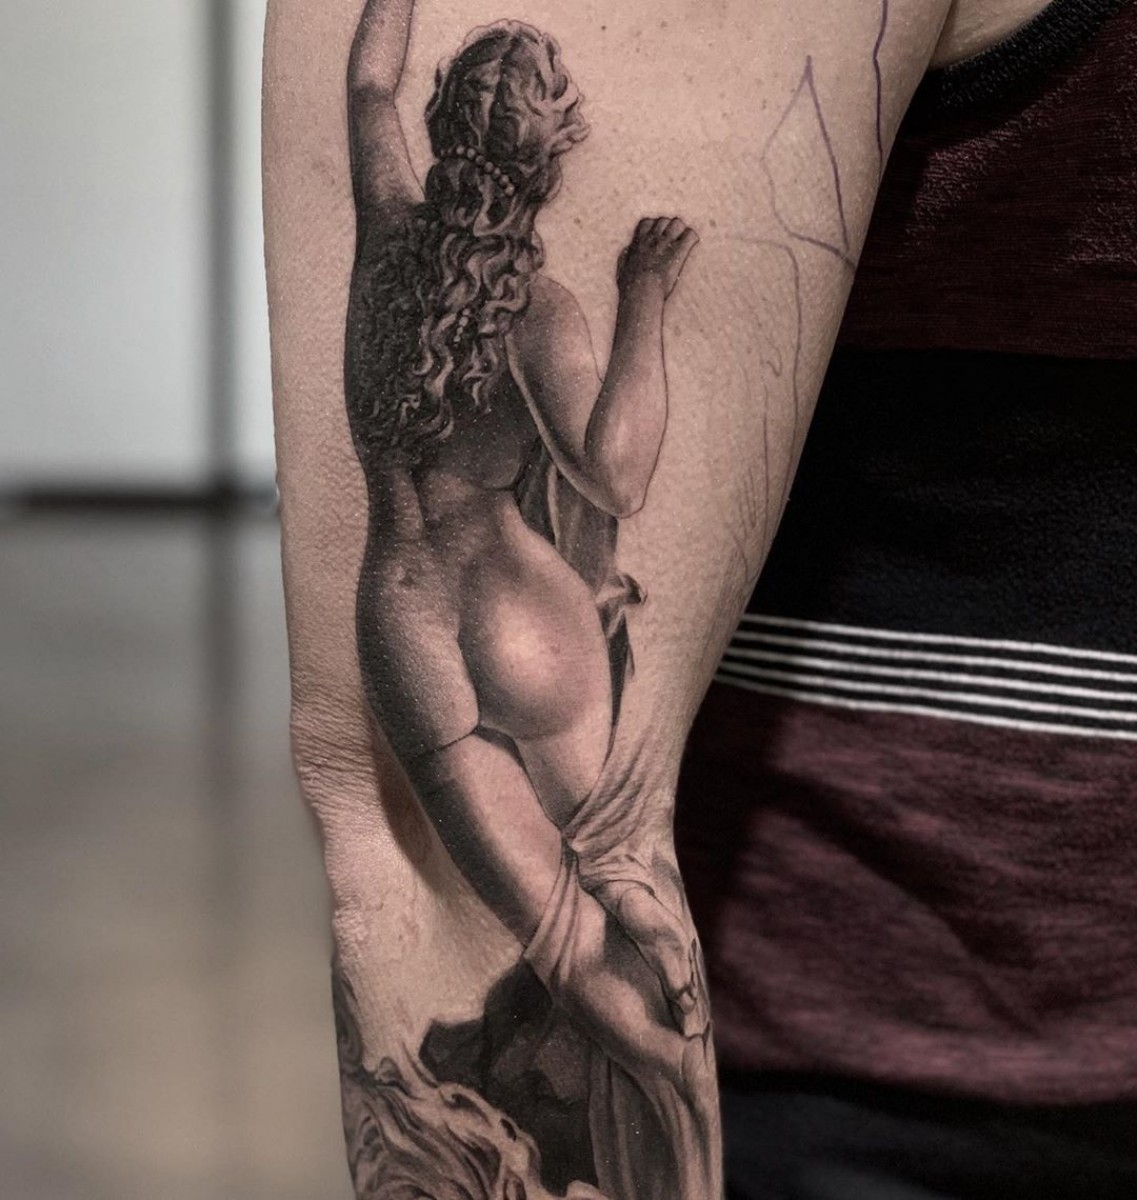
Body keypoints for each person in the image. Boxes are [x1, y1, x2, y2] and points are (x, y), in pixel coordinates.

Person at [263, 0, 1135, 1195]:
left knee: (541, 930)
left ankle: (645, 1067)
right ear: (546, 153)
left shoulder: (385, 226)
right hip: (531, 618)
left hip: (407, 611)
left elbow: (369, 88)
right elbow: (615, 471)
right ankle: (666, 1057)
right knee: (612, 870)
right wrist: (644, 298)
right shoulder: (537, 308)